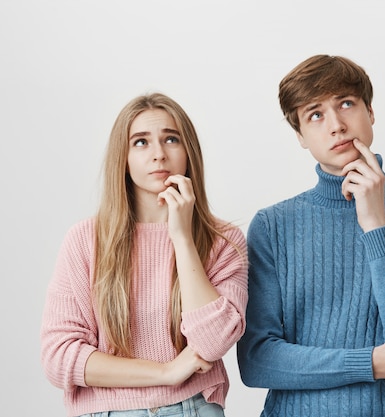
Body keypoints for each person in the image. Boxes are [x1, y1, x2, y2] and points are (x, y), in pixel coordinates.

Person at [237, 55, 385, 417]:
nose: (337, 125)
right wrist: (373, 363)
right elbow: (257, 361)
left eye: (346, 103)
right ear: (300, 135)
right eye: (316, 114)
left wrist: (376, 224)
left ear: (370, 111)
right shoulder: (271, 226)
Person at [40, 93, 248, 417]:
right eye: (141, 142)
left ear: (188, 151)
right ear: (122, 157)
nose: (159, 155)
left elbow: (213, 343)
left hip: (193, 408)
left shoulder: (223, 241)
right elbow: (59, 357)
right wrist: (165, 373)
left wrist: (181, 236)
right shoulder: (85, 240)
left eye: (171, 139)